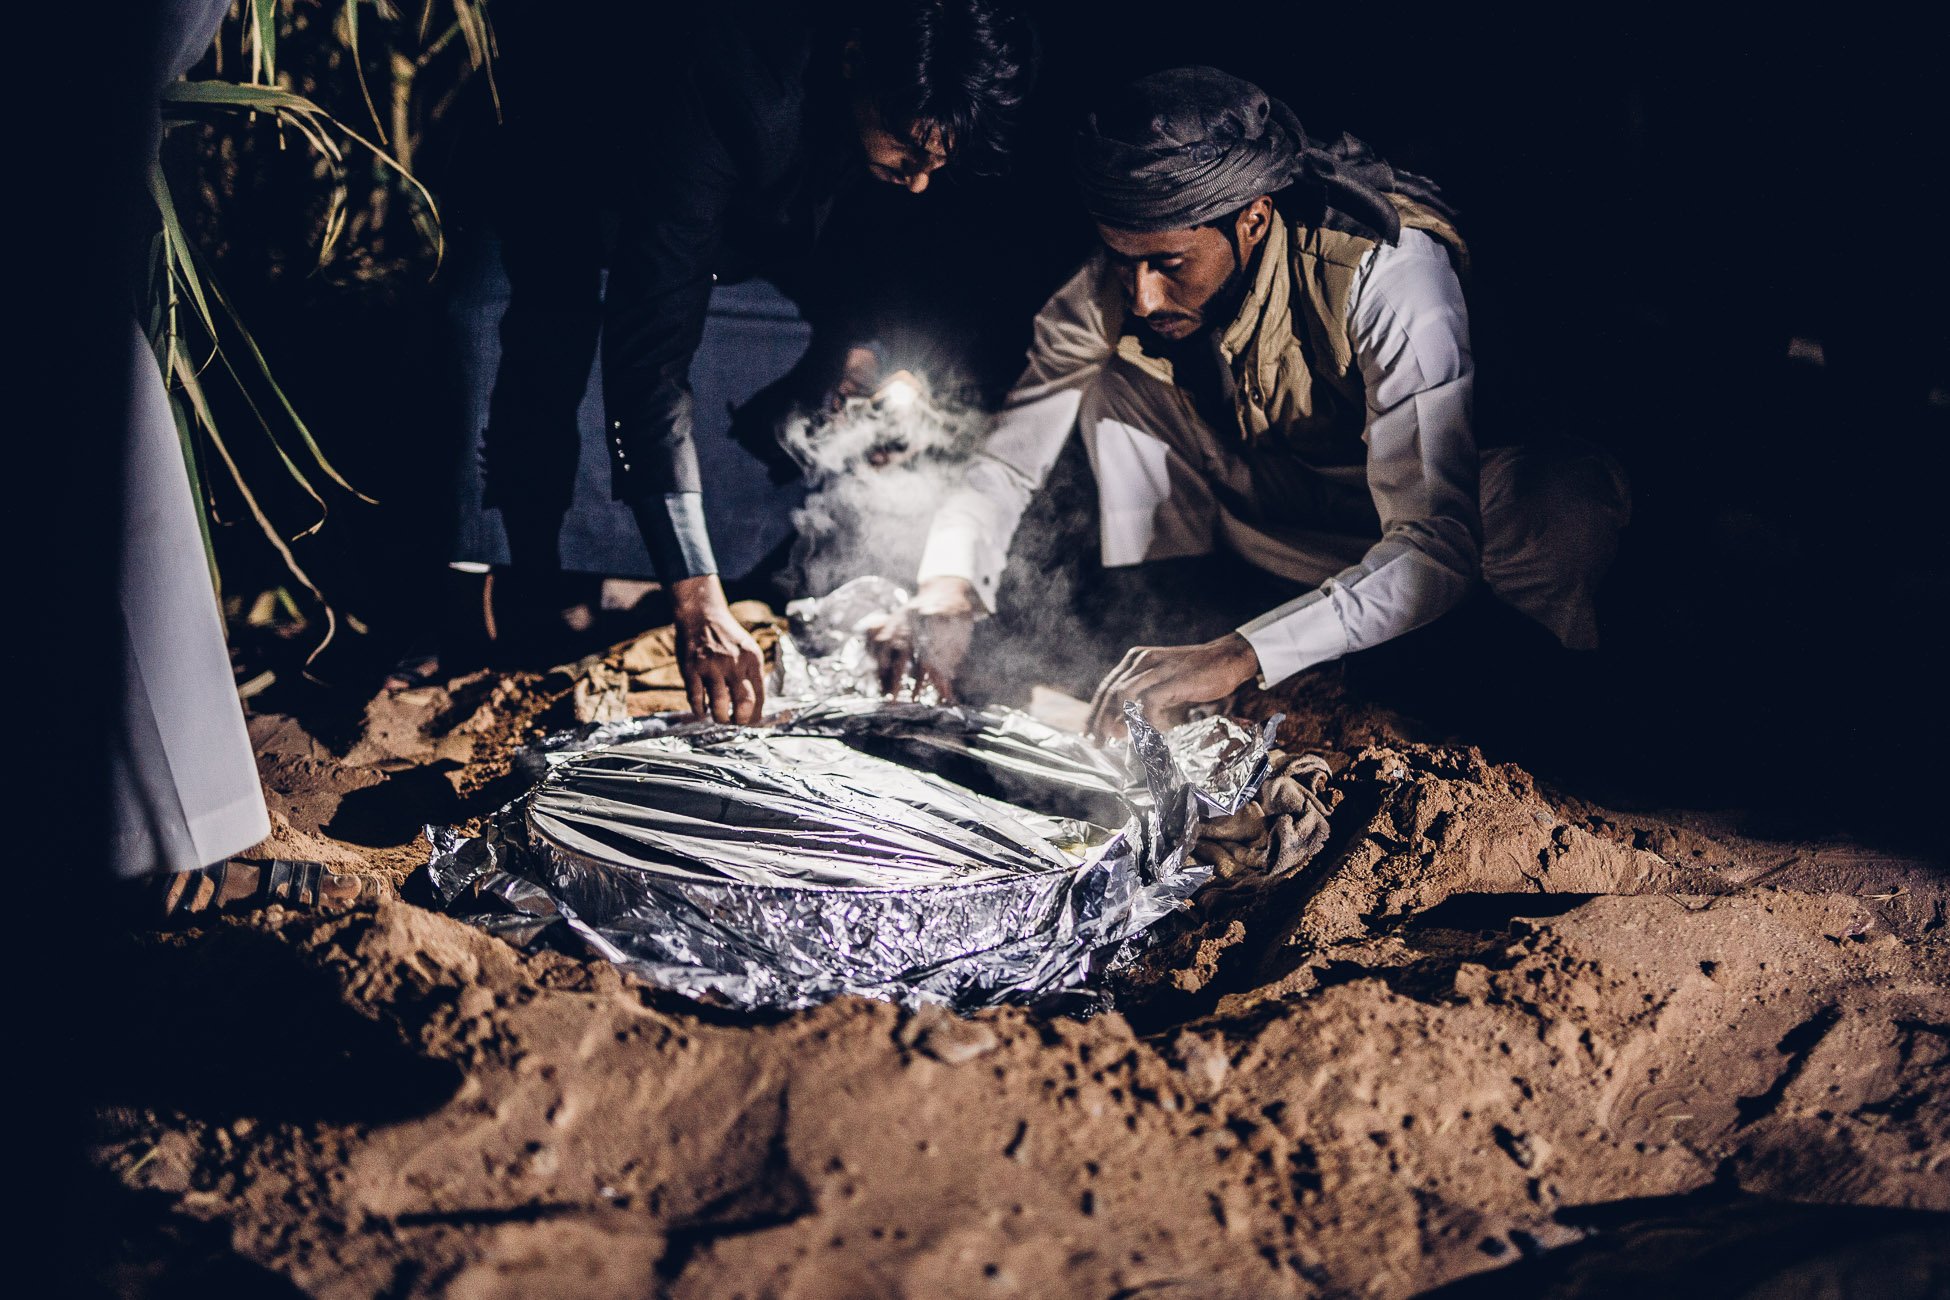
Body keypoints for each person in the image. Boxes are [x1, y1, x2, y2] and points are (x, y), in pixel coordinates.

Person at [873, 66, 1630, 736]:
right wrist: (947, 594)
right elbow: (1007, 461)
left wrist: (1244, 653)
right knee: (1111, 380)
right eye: (1122, 260)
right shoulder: (1116, 286)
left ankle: (1540, 708)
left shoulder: (1389, 273)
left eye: (1169, 263)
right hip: (1279, 525)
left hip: (1451, 531)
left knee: (1557, 509)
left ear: (1254, 220)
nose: (1141, 296)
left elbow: (1438, 541)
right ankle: (1169, 624)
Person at [475, 0, 1032, 724]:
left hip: (776, 232)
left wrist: (853, 346)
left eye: (938, 162)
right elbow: (652, 349)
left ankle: (754, 581)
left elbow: (881, 240)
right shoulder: (731, 79)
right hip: (593, 201)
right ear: (855, 62)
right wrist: (695, 595)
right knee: (566, 343)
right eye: (907, 148)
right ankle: (532, 598)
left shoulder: (906, 98)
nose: (922, 179)